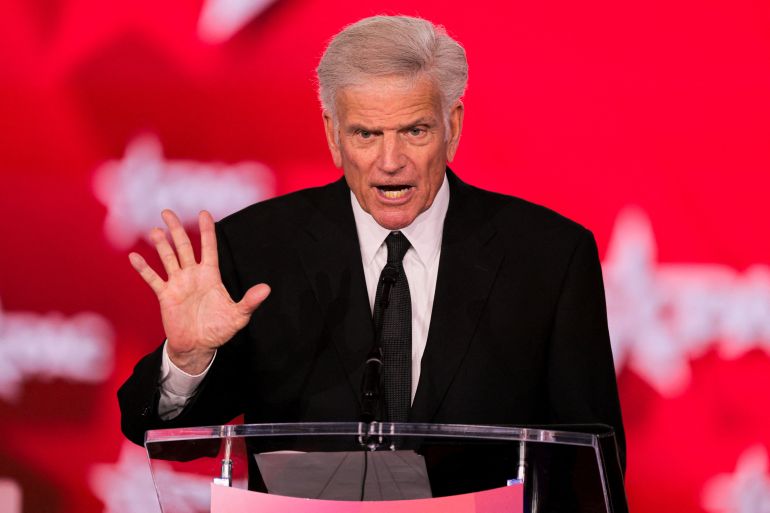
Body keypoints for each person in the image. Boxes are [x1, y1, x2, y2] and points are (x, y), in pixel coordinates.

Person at [119, 15, 625, 475]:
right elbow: (165, 439)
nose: (390, 160)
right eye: (365, 134)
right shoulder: (258, 249)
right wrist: (187, 360)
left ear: (452, 127)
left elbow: (590, 467)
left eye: (415, 131)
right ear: (333, 135)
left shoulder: (548, 258)